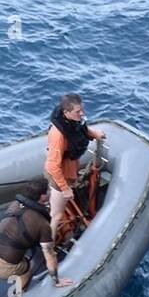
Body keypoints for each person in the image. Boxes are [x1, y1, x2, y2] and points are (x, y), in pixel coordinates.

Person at [0, 178, 74, 297]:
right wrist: (56, 279)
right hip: (6, 266)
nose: (49, 193)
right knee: (28, 267)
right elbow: (49, 255)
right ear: (42, 197)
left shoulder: (14, 205)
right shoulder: (42, 224)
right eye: (47, 191)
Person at [45, 93, 107, 240]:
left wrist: (94, 134)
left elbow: (81, 130)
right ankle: (49, 245)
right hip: (61, 177)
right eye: (78, 112)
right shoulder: (58, 135)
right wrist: (65, 189)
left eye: (82, 110)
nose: (82, 113)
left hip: (70, 170)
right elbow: (52, 166)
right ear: (66, 112)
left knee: (56, 207)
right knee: (57, 215)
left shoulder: (73, 122)